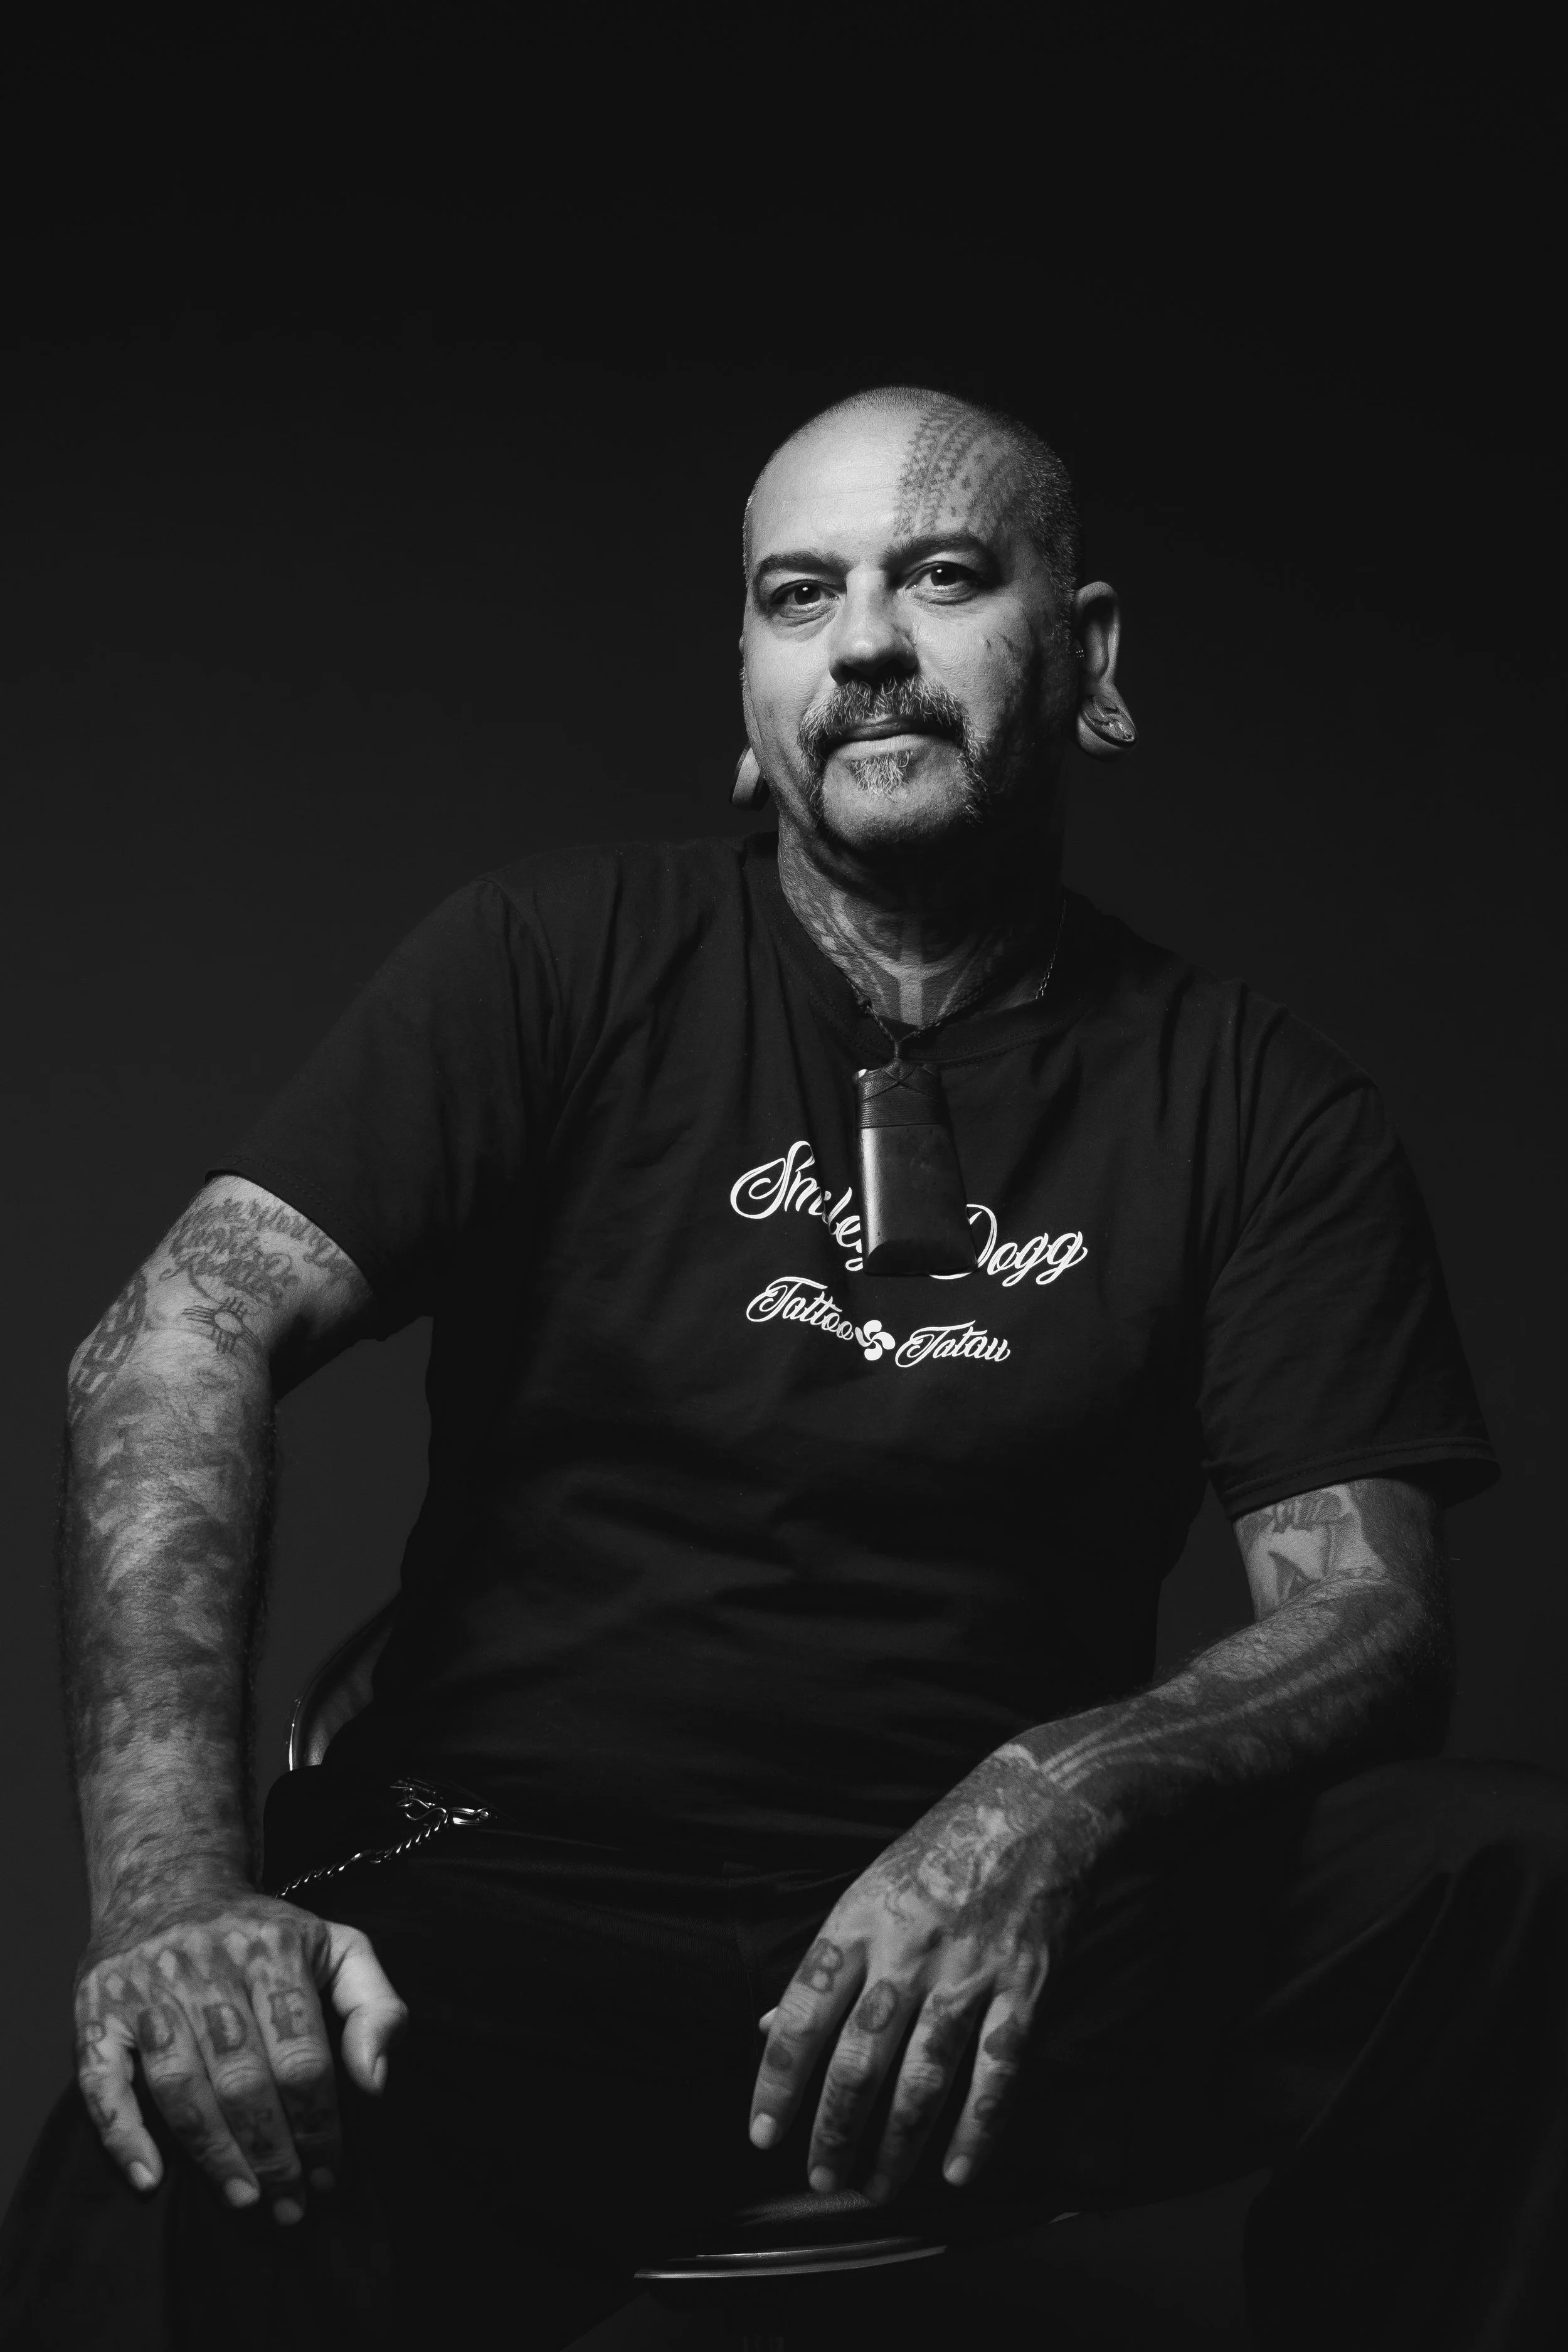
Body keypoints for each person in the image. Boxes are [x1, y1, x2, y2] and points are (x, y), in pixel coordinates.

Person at [3, 386, 1564, 2351]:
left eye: (939, 574)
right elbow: (170, 1333)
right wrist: (169, 1893)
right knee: (186, 2104)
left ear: (1079, 656)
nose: (866, 644)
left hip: (989, 1935)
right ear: (745, 687)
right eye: (796, 593)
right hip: (491, 1872)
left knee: (1506, 1881)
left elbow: (1367, 1620)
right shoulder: (547, 961)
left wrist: (1046, 1798)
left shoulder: (1257, 1103)